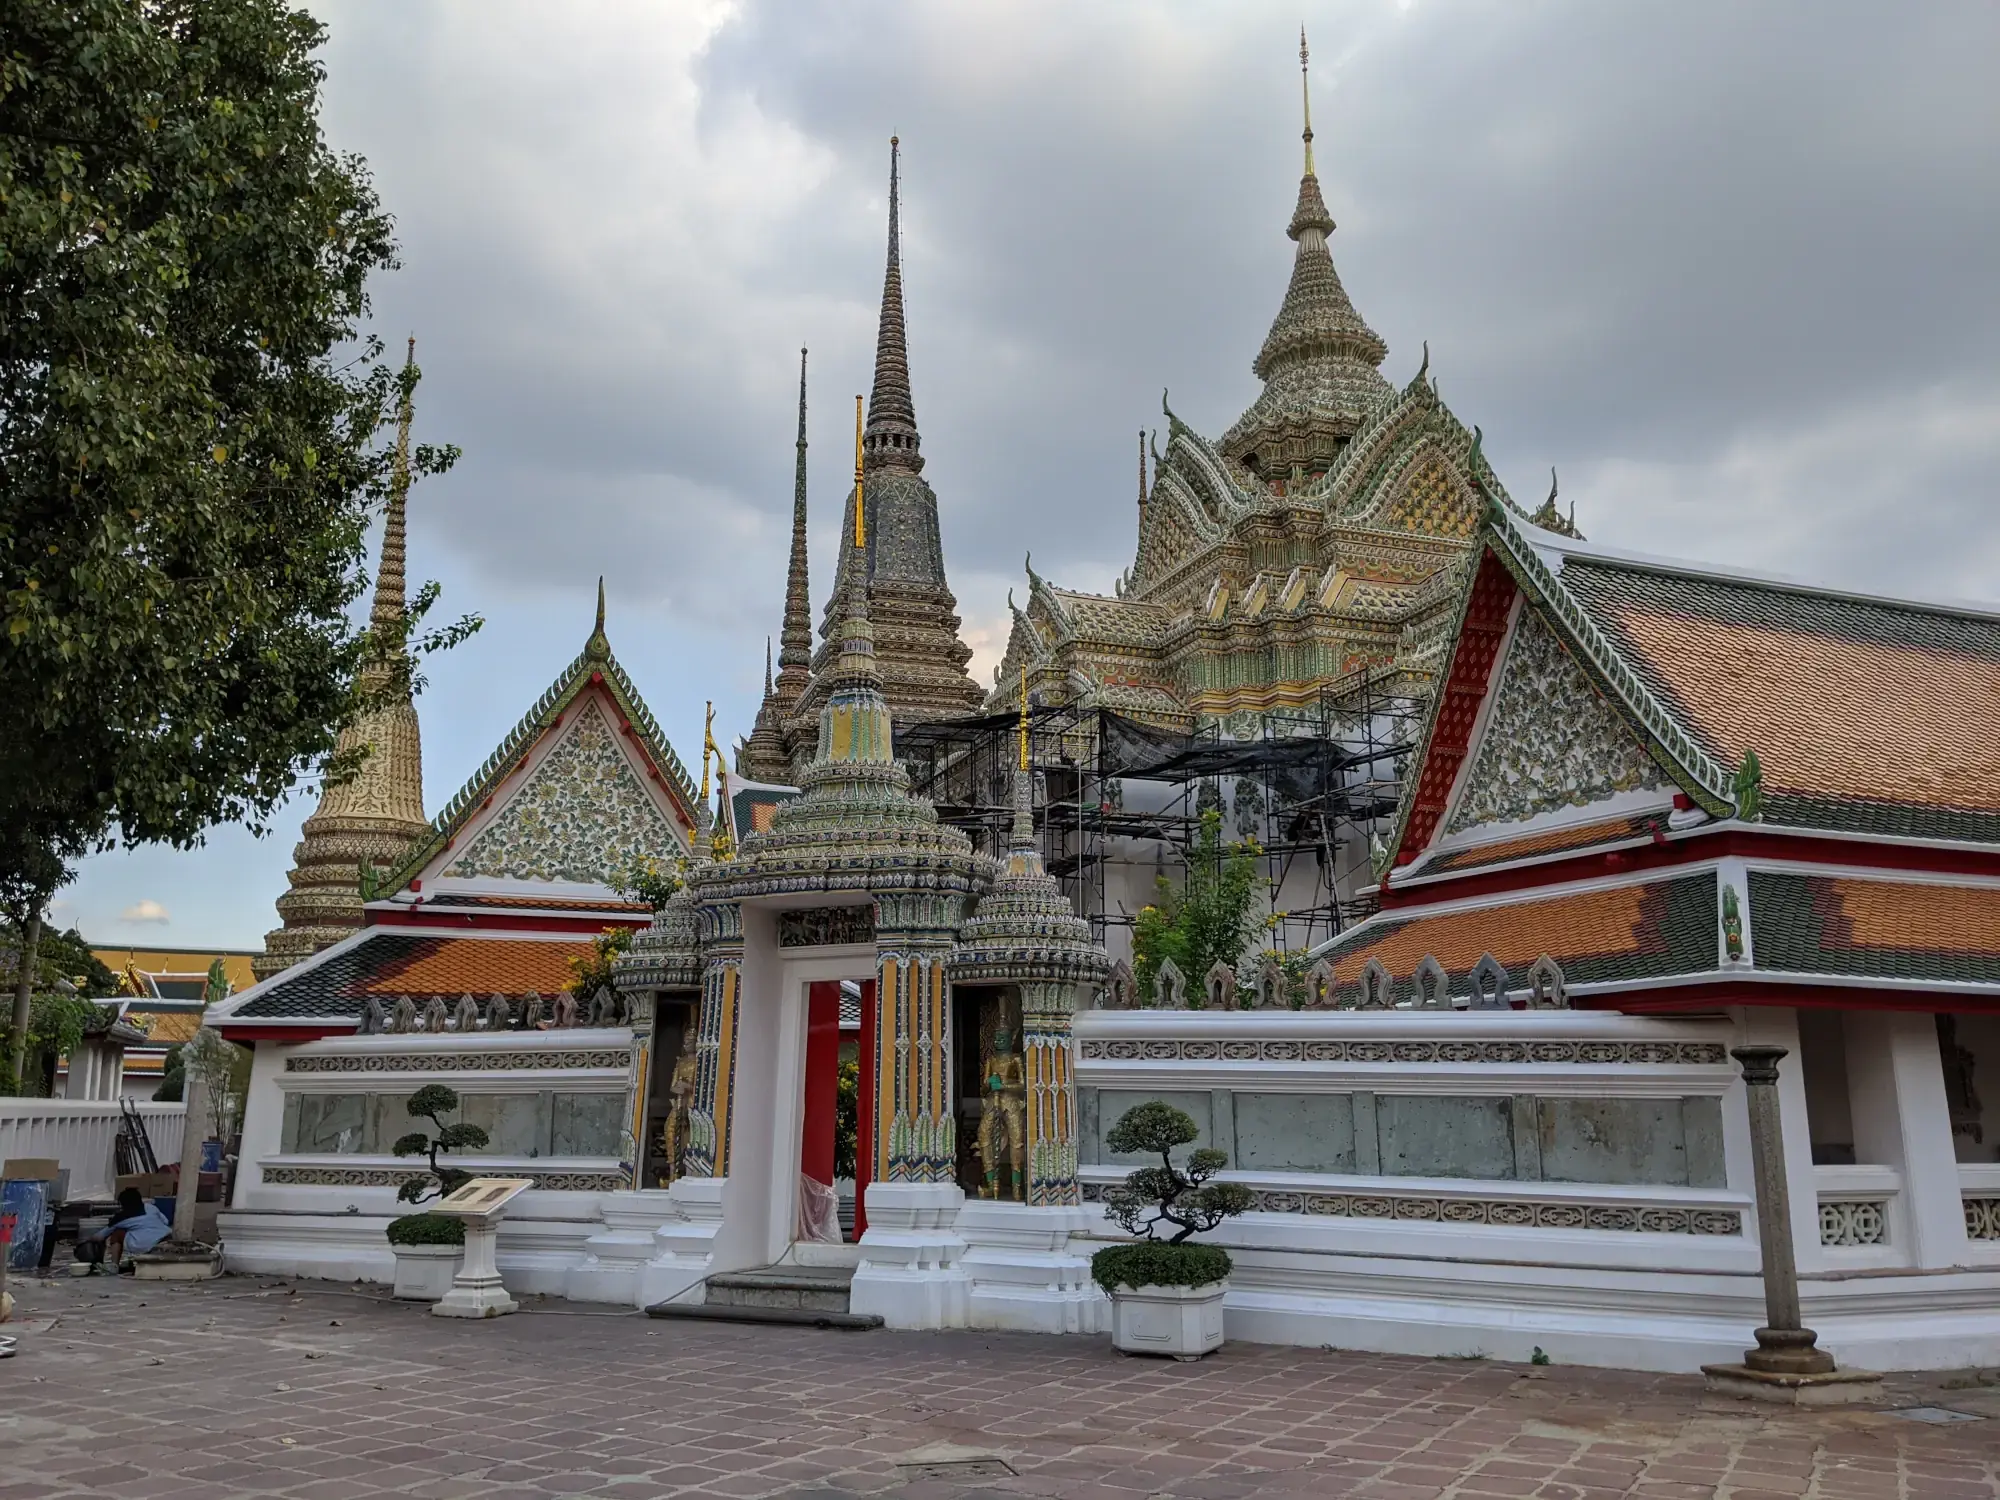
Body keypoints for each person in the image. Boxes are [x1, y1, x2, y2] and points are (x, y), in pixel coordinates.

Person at [74, 1189, 170, 1275]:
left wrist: (86, 1240)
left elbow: (100, 1237)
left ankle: (114, 1266)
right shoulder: (151, 1207)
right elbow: (165, 1221)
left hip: (144, 1244)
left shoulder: (121, 1217)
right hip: (165, 1237)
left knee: (117, 1233)